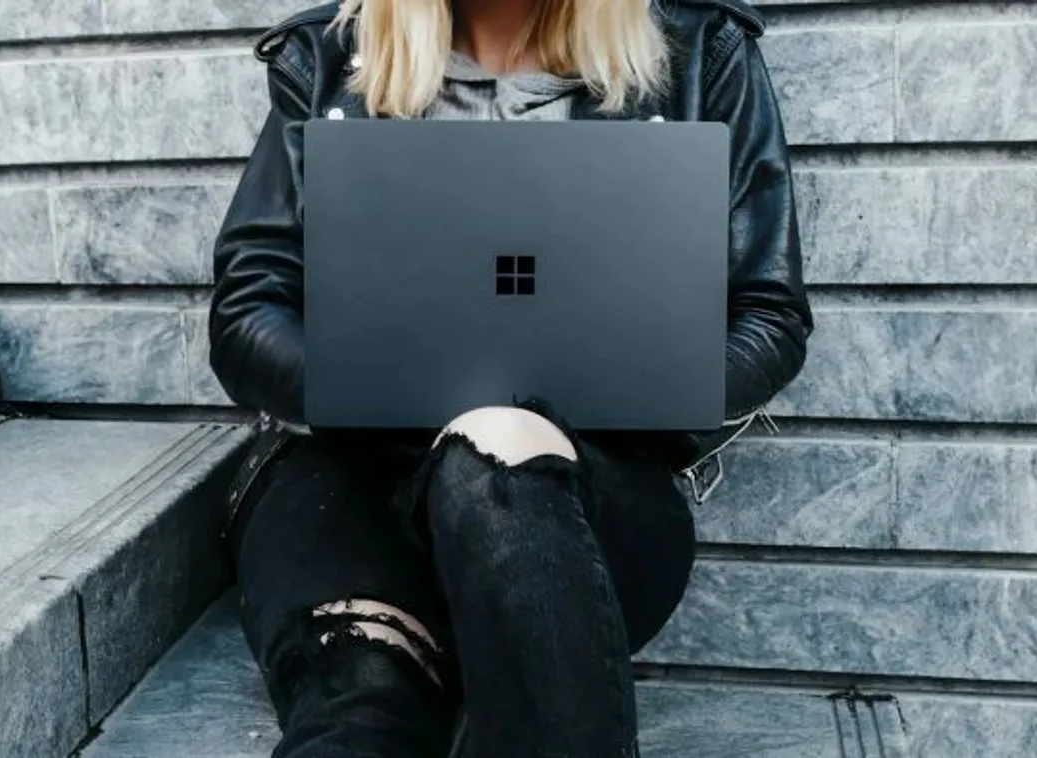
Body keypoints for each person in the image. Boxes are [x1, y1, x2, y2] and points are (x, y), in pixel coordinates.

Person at [208, 0, 812, 754]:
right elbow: (248, 311)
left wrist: (610, 397)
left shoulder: (697, 49)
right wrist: (384, 391)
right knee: (362, 703)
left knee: (497, 460)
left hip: (579, 496)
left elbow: (768, 316)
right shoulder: (330, 55)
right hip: (352, 489)